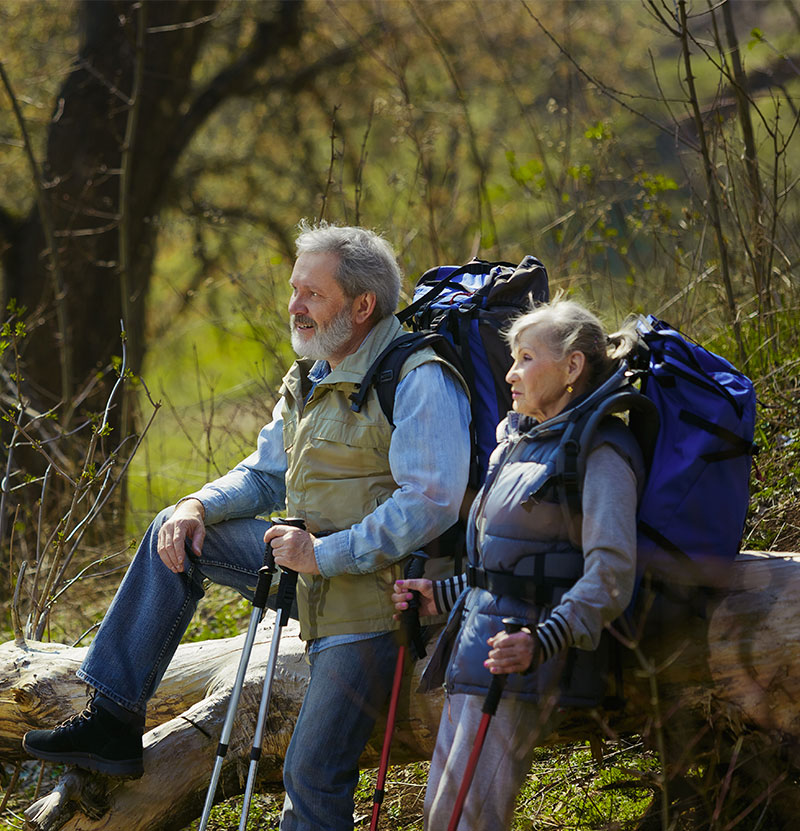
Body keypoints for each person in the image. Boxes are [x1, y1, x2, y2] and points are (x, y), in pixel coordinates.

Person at [23, 221, 472, 831]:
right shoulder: (310, 376)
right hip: (303, 568)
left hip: (377, 600)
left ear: (363, 305)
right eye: (294, 290)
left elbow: (432, 501)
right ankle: (112, 722)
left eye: (312, 293)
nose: (295, 306)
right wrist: (198, 506)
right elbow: (264, 476)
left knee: (312, 772)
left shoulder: (419, 377)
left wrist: (327, 555)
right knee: (173, 531)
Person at [392, 297, 646, 830]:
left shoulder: (600, 451)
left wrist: (542, 640)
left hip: (525, 662)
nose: (510, 374)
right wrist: (439, 595)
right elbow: (504, 564)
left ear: (573, 366)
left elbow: (611, 574)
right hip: (476, 649)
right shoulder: (517, 444)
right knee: (442, 817)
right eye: (512, 358)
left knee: (470, 821)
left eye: (526, 358)